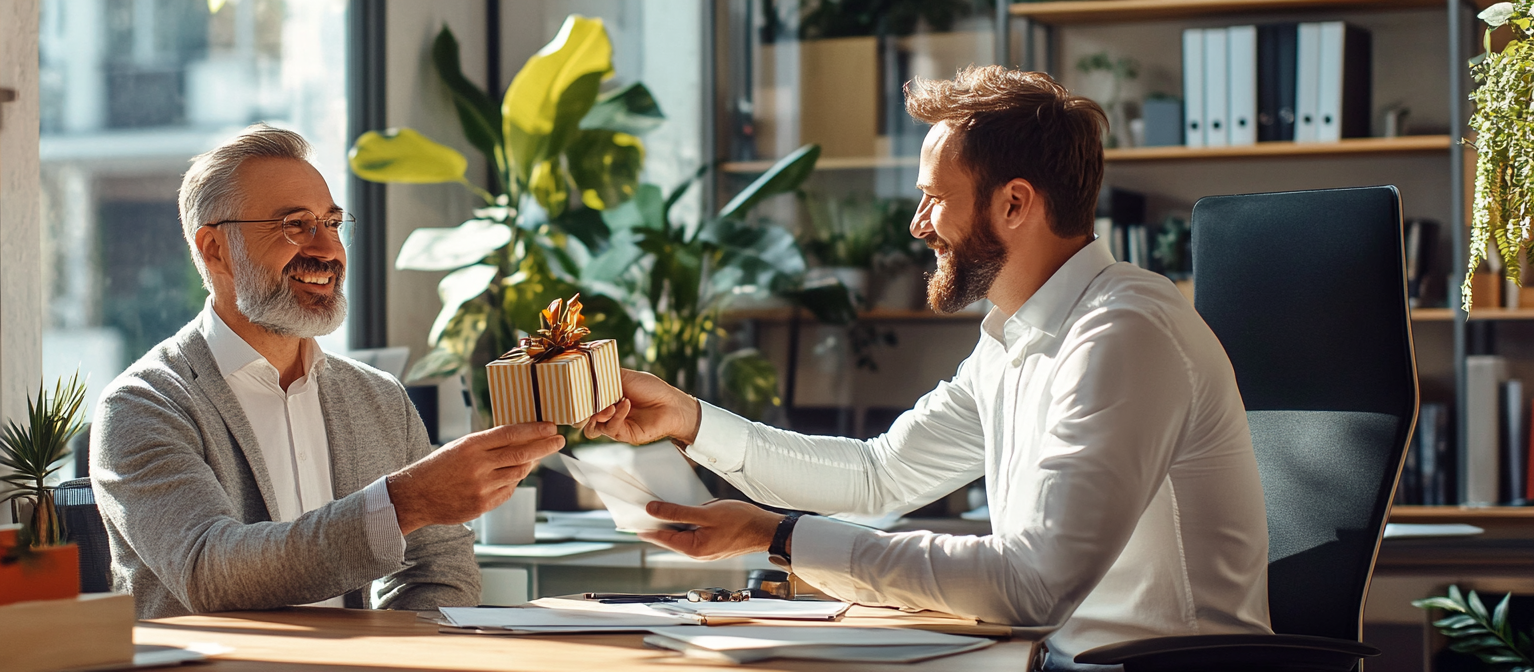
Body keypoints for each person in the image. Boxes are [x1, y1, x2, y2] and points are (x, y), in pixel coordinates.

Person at [583, 66, 1271, 670]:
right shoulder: (1014, 338)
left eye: (935, 197)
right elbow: (879, 475)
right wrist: (691, 420)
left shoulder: (1123, 334)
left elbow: (1033, 583)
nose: (918, 224)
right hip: (1046, 659)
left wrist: (779, 535)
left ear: (1014, 203)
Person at [91, 125, 564, 619]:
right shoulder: (142, 405)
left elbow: (439, 571)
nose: (326, 249)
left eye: (333, 224)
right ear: (215, 249)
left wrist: (401, 662)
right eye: (295, 225)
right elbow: (209, 571)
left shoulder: (378, 397)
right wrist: (402, 504)